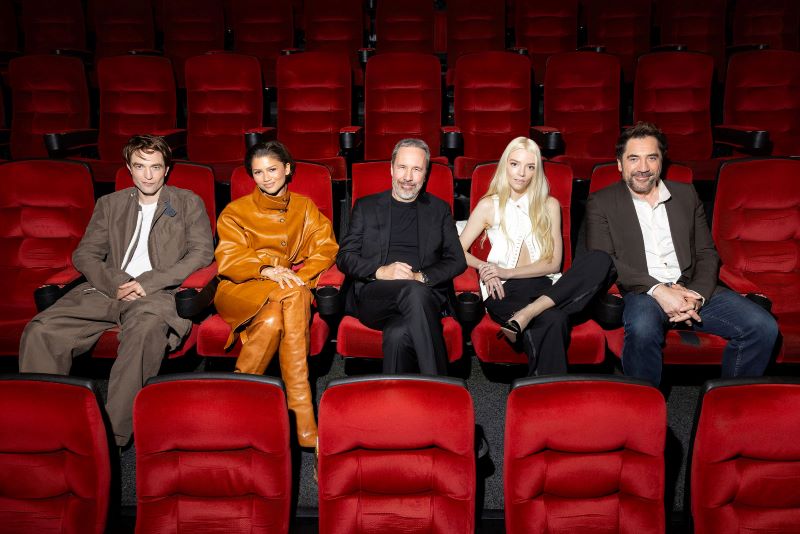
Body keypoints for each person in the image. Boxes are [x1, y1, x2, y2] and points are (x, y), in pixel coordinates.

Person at [19, 134, 214, 447]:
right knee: (41, 330)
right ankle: (43, 429)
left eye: (155, 167)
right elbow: (85, 254)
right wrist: (116, 283)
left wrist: (148, 282)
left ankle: (110, 438)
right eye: (140, 166)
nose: (147, 175)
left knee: (144, 332)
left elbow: (201, 253)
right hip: (106, 291)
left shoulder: (187, 202)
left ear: (166, 170)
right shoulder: (109, 204)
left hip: (157, 294)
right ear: (129, 168)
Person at [586, 122, 778, 386]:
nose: (643, 167)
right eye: (633, 158)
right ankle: (645, 405)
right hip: (643, 291)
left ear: (661, 161)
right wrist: (660, 291)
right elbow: (604, 258)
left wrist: (696, 295)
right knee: (642, 329)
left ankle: (731, 403)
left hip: (690, 287)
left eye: (651, 157)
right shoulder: (601, 202)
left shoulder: (686, 195)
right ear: (620, 164)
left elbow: (706, 252)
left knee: (763, 326)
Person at [214, 140, 338, 448]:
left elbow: (326, 248)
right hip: (241, 287)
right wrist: (266, 269)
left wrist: (301, 277)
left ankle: (237, 406)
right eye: (258, 172)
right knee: (295, 295)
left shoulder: (304, 207)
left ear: (287, 169)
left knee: (272, 322)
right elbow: (229, 258)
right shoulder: (235, 211)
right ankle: (304, 420)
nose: (266, 178)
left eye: (272, 169)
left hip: (283, 289)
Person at [459, 137, 615, 376]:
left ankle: (526, 314)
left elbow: (553, 263)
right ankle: (548, 394)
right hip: (504, 290)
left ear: (537, 171)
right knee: (555, 320)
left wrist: (508, 272)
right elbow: (457, 250)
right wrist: (485, 267)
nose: (521, 173)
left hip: (547, 286)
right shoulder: (489, 205)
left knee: (601, 260)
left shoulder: (550, 205)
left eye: (530, 167)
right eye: (515, 164)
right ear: (505, 165)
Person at [337, 138, 466, 375]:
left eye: (416, 169)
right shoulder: (366, 207)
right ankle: (440, 385)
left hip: (424, 296)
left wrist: (420, 277)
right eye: (402, 167)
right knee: (412, 291)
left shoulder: (438, 210)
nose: (408, 177)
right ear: (391, 169)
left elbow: (457, 260)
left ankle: (397, 394)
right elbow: (345, 257)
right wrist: (381, 271)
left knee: (397, 335)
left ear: (425, 174)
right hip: (375, 297)